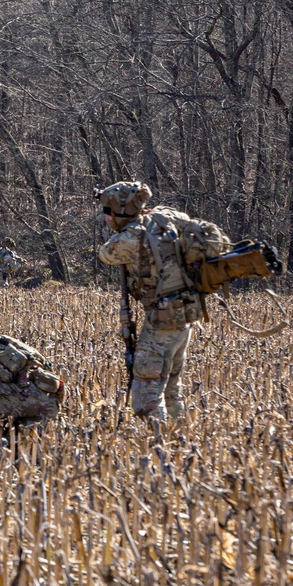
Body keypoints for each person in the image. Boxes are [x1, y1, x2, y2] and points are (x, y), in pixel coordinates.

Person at [96, 181, 200, 424]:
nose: (107, 219)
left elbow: (106, 253)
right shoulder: (165, 219)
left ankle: (154, 442)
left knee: (146, 389)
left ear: (120, 212)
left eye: (108, 213)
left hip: (163, 318)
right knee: (171, 384)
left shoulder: (131, 238)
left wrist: (124, 227)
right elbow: (179, 216)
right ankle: (177, 433)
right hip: (185, 313)